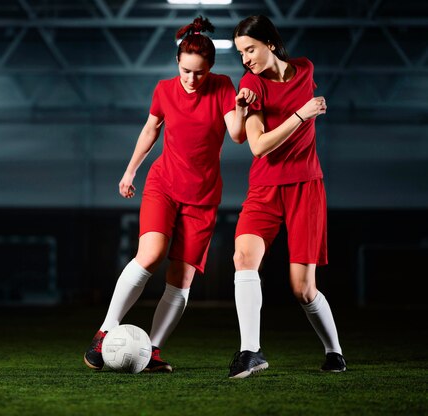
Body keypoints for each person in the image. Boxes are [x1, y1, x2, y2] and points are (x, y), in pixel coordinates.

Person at [83, 16, 256, 373]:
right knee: (151, 254)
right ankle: (104, 332)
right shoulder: (164, 90)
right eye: (186, 71)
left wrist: (241, 105)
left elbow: (238, 136)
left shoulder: (223, 87)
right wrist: (130, 171)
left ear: (210, 68)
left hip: (203, 196)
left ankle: (153, 351)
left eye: (199, 73)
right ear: (177, 63)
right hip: (163, 183)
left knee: (181, 278)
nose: (192, 80)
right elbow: (151, 130)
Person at [227, 15, 347, 379]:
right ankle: (251, 352)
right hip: (264, 189)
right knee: (243, 257)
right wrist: (302, 114)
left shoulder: (305, 69)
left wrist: (307, 110)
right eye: (241, 53)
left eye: (250, 49)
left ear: (272, 44)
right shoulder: (251, 85)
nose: (245, 58)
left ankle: (334, 352)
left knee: (303, 289)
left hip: (306, 187)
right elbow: (258, 146)